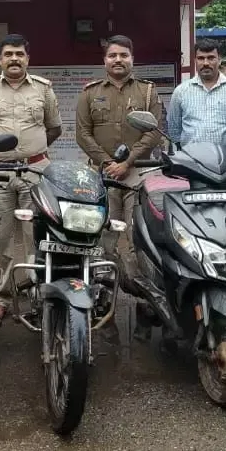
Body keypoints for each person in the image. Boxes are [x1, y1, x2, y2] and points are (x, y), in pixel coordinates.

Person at [0, 33, 61, 325]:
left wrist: (30, 152)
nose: (14, 59)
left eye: (19, 54)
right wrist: (2, 153)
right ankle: (0, 299)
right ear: (0, 60)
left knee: (38, 237)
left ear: (28, 59)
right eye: (8, 54)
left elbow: (54, 128)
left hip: (35, 171)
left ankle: (37, 296)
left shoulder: (43, 89)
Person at [74, 35, 162, 328]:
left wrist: (127, 162)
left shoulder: (147, 92)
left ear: (132, 59)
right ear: (105, 61)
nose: (118, 60)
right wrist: (108, 163)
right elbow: (83, 134)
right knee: (102, 238)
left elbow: (154, 132)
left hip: (138, 174)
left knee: (140, 237)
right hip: (102, 176)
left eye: (124, 55)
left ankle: (145, 299)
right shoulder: (89, 93)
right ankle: (102, 296)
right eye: (113, 55)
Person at [167, 38, 226, 157]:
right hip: (191, 163)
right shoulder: (180, 92)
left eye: (211, 58)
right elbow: (174, 130)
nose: (206, 63)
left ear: (219, 59)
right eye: (201, 58)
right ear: (195, 61)